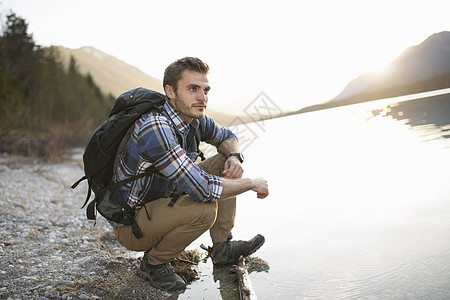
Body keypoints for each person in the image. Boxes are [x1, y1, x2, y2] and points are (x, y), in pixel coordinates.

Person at [112, 57, 269, 292]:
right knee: (205, 211)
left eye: (205, 90)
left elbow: (227, 137)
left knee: (224, 160)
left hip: (163, 198)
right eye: (193, 89)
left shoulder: (193, 119)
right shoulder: (156, 127)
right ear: (170, 91)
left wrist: (235, 157)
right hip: (132, 224)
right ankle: (153, 264)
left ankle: (222, 248)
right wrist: (251, 183)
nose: (202, 97)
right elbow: (204, 189)